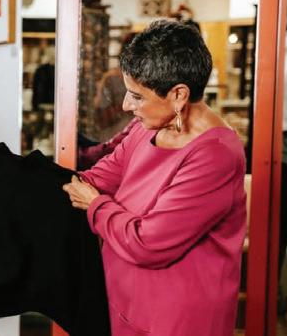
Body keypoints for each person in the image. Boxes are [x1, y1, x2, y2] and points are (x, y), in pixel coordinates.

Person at [64, 20, 246, 336]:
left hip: (178, 320)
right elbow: (94, 179)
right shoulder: (145, 128)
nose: (126, 105)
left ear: (178, 95)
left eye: (137, 96)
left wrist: (95, 205)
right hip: (124, 302)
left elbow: (148, 244)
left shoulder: (216, 155)